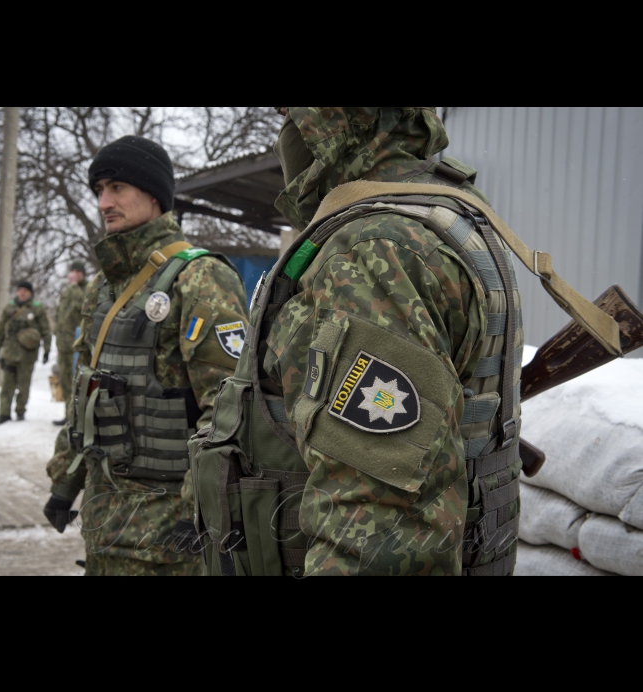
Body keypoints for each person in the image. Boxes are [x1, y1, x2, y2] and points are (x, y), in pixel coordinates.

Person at [190, 107, 524, 576]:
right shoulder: (443, 213)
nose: (285, 127)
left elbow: (381, 527)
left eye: (292, 112)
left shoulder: (372, 247)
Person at [43, 135, 249, 576]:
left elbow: (233, 409)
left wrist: (205, 513)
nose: (104, 201)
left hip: (169, 537)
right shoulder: (104, 287)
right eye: (99, 190)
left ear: (153, 193)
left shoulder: (201, 277)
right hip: (106, 523)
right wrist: (65, 483)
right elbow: (87, 395)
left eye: (117, 187)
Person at [0, 281, 52, 425]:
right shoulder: (10, 307)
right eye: (20, 290)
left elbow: (46, 330)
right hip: (9, 352)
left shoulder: (37, 309)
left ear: (30, 293)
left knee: (24, 385)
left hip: (27, 354)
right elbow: (0, 329)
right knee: (7, 385)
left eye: (25, 290)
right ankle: (4, 413)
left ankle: (20, 412)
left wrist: (47, 350)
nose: (22, 293)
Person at [53, 260, 88, 426]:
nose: (74, 274)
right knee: (66, 382)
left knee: (77, 382)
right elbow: (60, 317)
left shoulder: (85, 289)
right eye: (72, 271)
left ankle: (75, 416)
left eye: (78, 272)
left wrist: (74, 286)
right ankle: (68, 415)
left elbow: (83, 307)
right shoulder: (67, 291)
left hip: (77, 345)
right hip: (64, 344)